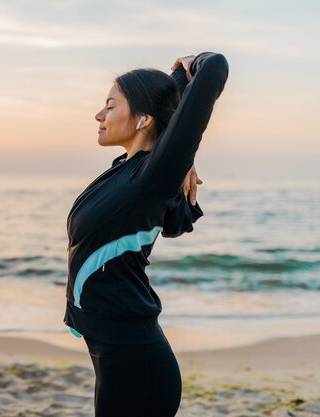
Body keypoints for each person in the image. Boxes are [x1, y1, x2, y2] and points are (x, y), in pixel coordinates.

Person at [63, 52, 229, 417]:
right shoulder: (127, 170)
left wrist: (193, 61)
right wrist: (177, 82)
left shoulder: (151, 177)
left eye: (110, 106)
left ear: (142, 119)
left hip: (137, 361)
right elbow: (173, 135)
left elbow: (215, 67)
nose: (99, 115)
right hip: (113, 355)